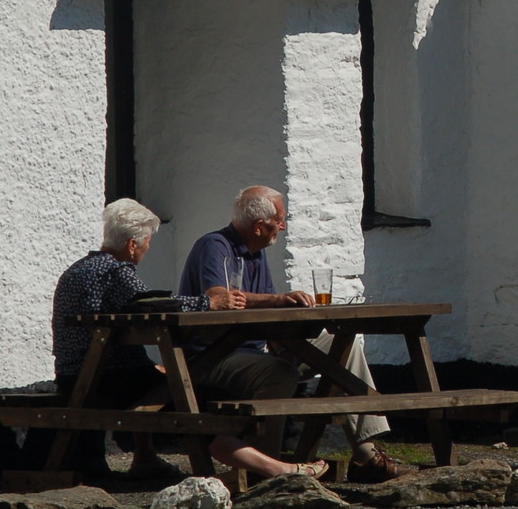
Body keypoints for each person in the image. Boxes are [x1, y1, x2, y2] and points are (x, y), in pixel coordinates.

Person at [51, 199, 326, 480]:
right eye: (148, 242)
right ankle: (278, 469)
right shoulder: (115, 272)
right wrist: (208, 304)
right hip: (107, 379)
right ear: (133, 245)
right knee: (197, 402)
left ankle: (146, 459)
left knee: (162, 381)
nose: (148, 247)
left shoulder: (79, 269)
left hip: (77, 374)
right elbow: (156, 306)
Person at [178, 185, 400, 483]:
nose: (282, 227)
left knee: (342, 345)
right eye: (279, 220)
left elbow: (265, 316)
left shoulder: (257, 254)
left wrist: (283, 338)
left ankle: (366, 453)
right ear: (259, 226)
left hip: (255, 351)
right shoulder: (214, 246)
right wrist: (279, 300)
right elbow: (219, 296)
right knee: (280, 372)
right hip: (212, 357)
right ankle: (266, 469)